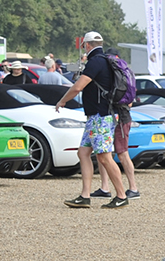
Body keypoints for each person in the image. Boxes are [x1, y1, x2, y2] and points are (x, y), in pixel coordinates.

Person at [56, 31, 129, 208]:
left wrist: (62, 100)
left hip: (101, 116)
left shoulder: (96, 62)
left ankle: (121, 195)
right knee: (83, 153)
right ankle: (85, 196)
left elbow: (78, 86)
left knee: (104, 157)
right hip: (97, 116)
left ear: (87, 45)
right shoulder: (103, 60)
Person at [90, 48, 142, 202]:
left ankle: (132, 188)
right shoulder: (125, 71)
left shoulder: (112, 72)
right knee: (106, 152)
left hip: (115, 116)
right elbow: (131, 101)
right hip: (123, 115)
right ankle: (107, 187)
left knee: (119, 152)